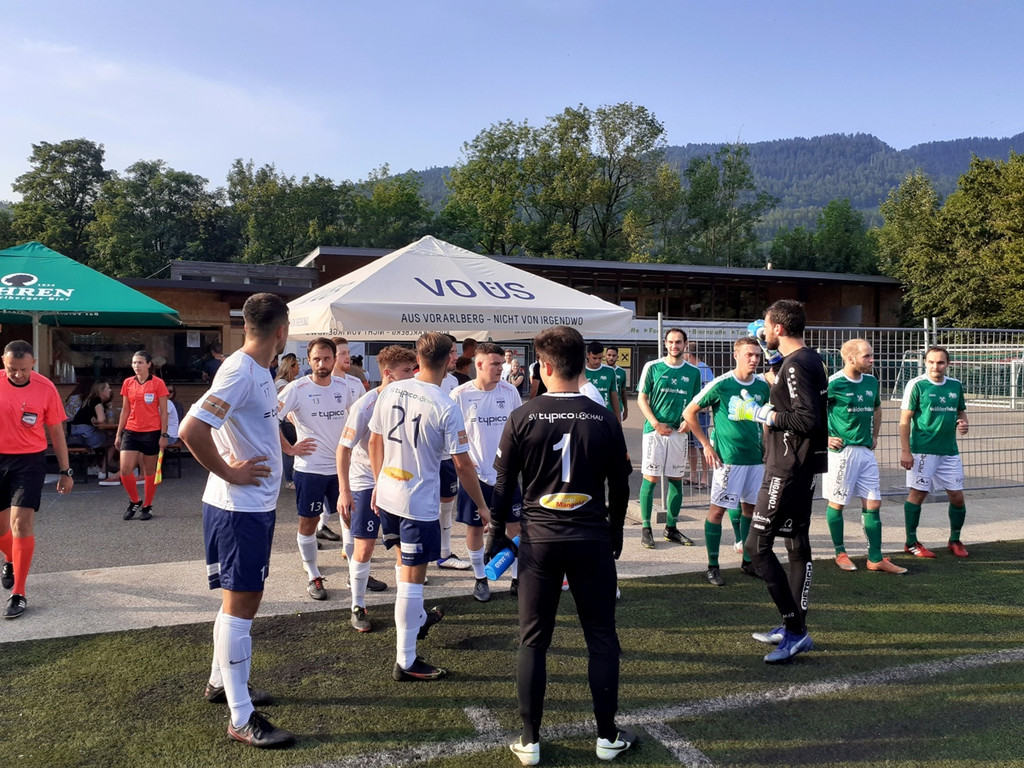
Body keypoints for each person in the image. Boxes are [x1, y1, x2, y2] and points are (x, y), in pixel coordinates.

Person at [487, 325, 634, 765]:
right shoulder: (604, 417)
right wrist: (618, 530)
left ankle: (530, 741)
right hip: (591, 538)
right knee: (602, 639)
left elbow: (503, 483)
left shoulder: (523, 415)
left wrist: (497, 531)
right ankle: (607, 736)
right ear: (583, 361)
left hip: (539, 543)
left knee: (533, 641)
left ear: (545, 367)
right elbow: (621, 485)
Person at [179, 292, 294, 749]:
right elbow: (190, 429)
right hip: (237, 508)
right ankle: (241, 717)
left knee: (236, 602)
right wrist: (229, 471)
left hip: (252, 507)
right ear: (281, 330)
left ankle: (221, 684)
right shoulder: (240, 370)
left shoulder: (259, 370)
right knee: (242, 605)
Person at [368, 332, 490, 681]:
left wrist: (378, 483)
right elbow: (464, 465)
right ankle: (406, 660)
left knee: (405, 569)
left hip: (388, 493)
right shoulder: (445, 403)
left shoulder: (390, 388)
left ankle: (417, 621)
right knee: (412, 580)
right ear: (451, 358)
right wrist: (482, 506)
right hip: (417, 501)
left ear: (418, 356)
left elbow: (374, 439)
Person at [740, 300, 828, 664]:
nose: (762, 330)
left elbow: (806, 418)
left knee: (757, 547)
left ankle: (795, 630)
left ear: (777, 327)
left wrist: (763, 413)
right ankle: (793, 626)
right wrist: (769, 357)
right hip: (800, 466)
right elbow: (795, 390)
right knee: (796, 543)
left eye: (765, 325)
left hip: (787, 468)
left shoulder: (797, 364)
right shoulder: (808, 359)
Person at [337, 345, 417, 632]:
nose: (412, 375)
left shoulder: (409, 401)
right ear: (388, 374)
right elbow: (343, 449)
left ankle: (406, 607)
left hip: (397, 482)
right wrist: (344, 491)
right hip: (365, 483)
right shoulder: (366, 405)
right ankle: (357, 604)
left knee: (402, 547)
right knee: (365, 547)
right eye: (407, 371)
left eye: (413, 369)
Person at [683, 337, 770, 587]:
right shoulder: (722, 384)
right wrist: (707, 446)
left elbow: (764, 419)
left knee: (750, 511)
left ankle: (747, 561)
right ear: (736, 356)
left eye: (757, 355)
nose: (754, 359)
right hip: (728, 462)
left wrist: (765, 447)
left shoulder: (763, 387)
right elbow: (689, 412)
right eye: (749, 355)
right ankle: (712, 565)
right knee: (717, 511)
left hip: (755, 461)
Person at [1, 341, 75, 619]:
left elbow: (56, 432)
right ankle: (10, 558)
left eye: (23, 369)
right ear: (3, 362)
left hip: (29, 462)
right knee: (1, 529)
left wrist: (66, 471)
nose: (18, 374)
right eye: (11, 369)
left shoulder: (46, 388)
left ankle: (18, 593)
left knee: (21, 522)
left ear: (33, 363)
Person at [277, 338, 354, 601]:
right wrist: (289, 448)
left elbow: (357, 420)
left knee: (348, 518)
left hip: (341, 469)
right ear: (308, 361)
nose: (322, 364)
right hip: (310, 469)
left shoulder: (345, 387)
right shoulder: (296, 389)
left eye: (327, 359)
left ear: (335, 359)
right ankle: (312, 573)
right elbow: (268, 419)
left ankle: (356, 571)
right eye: (316, 359)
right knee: (308, 521)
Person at [824, 340, 907, 574]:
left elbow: (877, 408)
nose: (872, 360)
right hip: (842, 453)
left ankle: (875, 558)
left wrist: (874, 435)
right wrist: (824, 438)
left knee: (873, 503)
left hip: (866, 452)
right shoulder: (834, 383)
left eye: (872, 356)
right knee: (837, 503)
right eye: (867, 357)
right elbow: (810, 411)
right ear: (850, 359)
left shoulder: (871, 381)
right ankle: (840, 552)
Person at [451, 343, 523, 602]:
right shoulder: (459, 395)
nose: (500, 369)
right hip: (475, 477)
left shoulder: (510, 391)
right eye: (495, 365)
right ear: (478, 365)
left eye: (501, 365)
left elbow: (518, 430)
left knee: (516, 526)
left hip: (507, 475)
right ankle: (481, 578)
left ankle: (517, 578)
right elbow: (453, 440)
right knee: (474, 528)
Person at [899, 345, 970, 558]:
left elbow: (962, 414)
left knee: (957, 497)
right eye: (931, 362)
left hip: (949, 452)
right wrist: (906, 451)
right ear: (925, 363)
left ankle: (955, 539)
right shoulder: (917, 385)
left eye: (940, 362)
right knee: (918, 494)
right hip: (923, 451)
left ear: (948, 364)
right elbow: (904, 420)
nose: (935, 366)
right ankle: (911, 542)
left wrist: (964, 425)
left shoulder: (955, 386)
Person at [636, 328, 701, 548]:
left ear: (685, 344)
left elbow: (695, 403)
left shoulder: (694, 372)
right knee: (651, 478)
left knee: (676, 479)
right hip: (655, 431)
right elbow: (642, 398)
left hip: (678, 433)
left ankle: (671, 528)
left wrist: (689, 421)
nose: (675, 346)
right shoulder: (652, 367)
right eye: (671, 342)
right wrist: (654, 423)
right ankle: (646, 528)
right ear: (665, 343)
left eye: (679, 342)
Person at [325, 337, 370, 548]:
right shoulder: (320, 383)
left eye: (347, 352)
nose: (347, 356)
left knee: (348, 497)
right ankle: (321, 527)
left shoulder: (355, 383)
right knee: (331, 498)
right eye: (342, 353)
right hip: (327, 453)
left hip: (351, 452)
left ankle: (348, 542)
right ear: (332, 357)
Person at [114, 350, 169, 521]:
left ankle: (148, 505)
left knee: (149, 471)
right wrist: (118, 433)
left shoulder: (158, 383)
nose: (136, 366)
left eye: (140, 362)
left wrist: (164, 434)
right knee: (125, 470)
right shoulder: (128, 383)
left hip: (151, 431)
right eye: (134, 362)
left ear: (148, 364)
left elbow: (164, 411)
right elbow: (125, 409)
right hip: (131, 430)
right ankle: (135, 500)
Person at [433, 334, 471, 572]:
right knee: (423, 508)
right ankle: (416, 560)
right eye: (453, 353)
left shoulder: (454, 383)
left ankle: (444, 554)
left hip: (448, 455)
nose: (457, 357)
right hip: (425, 458)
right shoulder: (416, 381)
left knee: (447, 503)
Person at [68, 379, 117, 478]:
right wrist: (98, 421)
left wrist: (96, 422)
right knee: (114, 442)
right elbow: (101, 419)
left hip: (76, 434)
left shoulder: (89, 400)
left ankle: (94, 466)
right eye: (108, 388)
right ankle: (103, 471)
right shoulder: (97, 400)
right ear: (101, 391)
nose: (110, 390)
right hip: (85, 435)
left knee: (105, 439)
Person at [684, 341, 715, 488]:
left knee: (702, 445)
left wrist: (704, 406)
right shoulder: (690, 369)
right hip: (689, 414)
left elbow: (710, 391)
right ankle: (693, 475)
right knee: (691, 445)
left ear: (688, 354)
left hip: (700, 414)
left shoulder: (704, 369)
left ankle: (704, 477)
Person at [275, 353, 300, 490]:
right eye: (297, 365)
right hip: (286, 421)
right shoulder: (282, 384)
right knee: (289, 450)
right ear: (291, 367)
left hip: (289, 421)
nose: (299, 368)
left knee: (291, 449)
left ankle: (290, 478)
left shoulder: (290, 382)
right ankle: (289, 479)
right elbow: (284, 405)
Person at [584, 341, 621, 420]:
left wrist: (618, 421)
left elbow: (614, 396)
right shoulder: (580, 372)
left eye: (600, 358)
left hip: (605, 415)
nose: (597, 361)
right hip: (586, 416)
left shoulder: (610, 371)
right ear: (588, 355)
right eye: (594, 358)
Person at [604, 345, 628, 421]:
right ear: (605, 356)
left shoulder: (622, 372)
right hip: (603, 407)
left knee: (616, 431)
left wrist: (626, 409)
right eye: (609, 355)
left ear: (617, 357)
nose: (611, 358)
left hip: (618, 408)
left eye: (614, 355)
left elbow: (623, 392)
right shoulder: (601, 370)